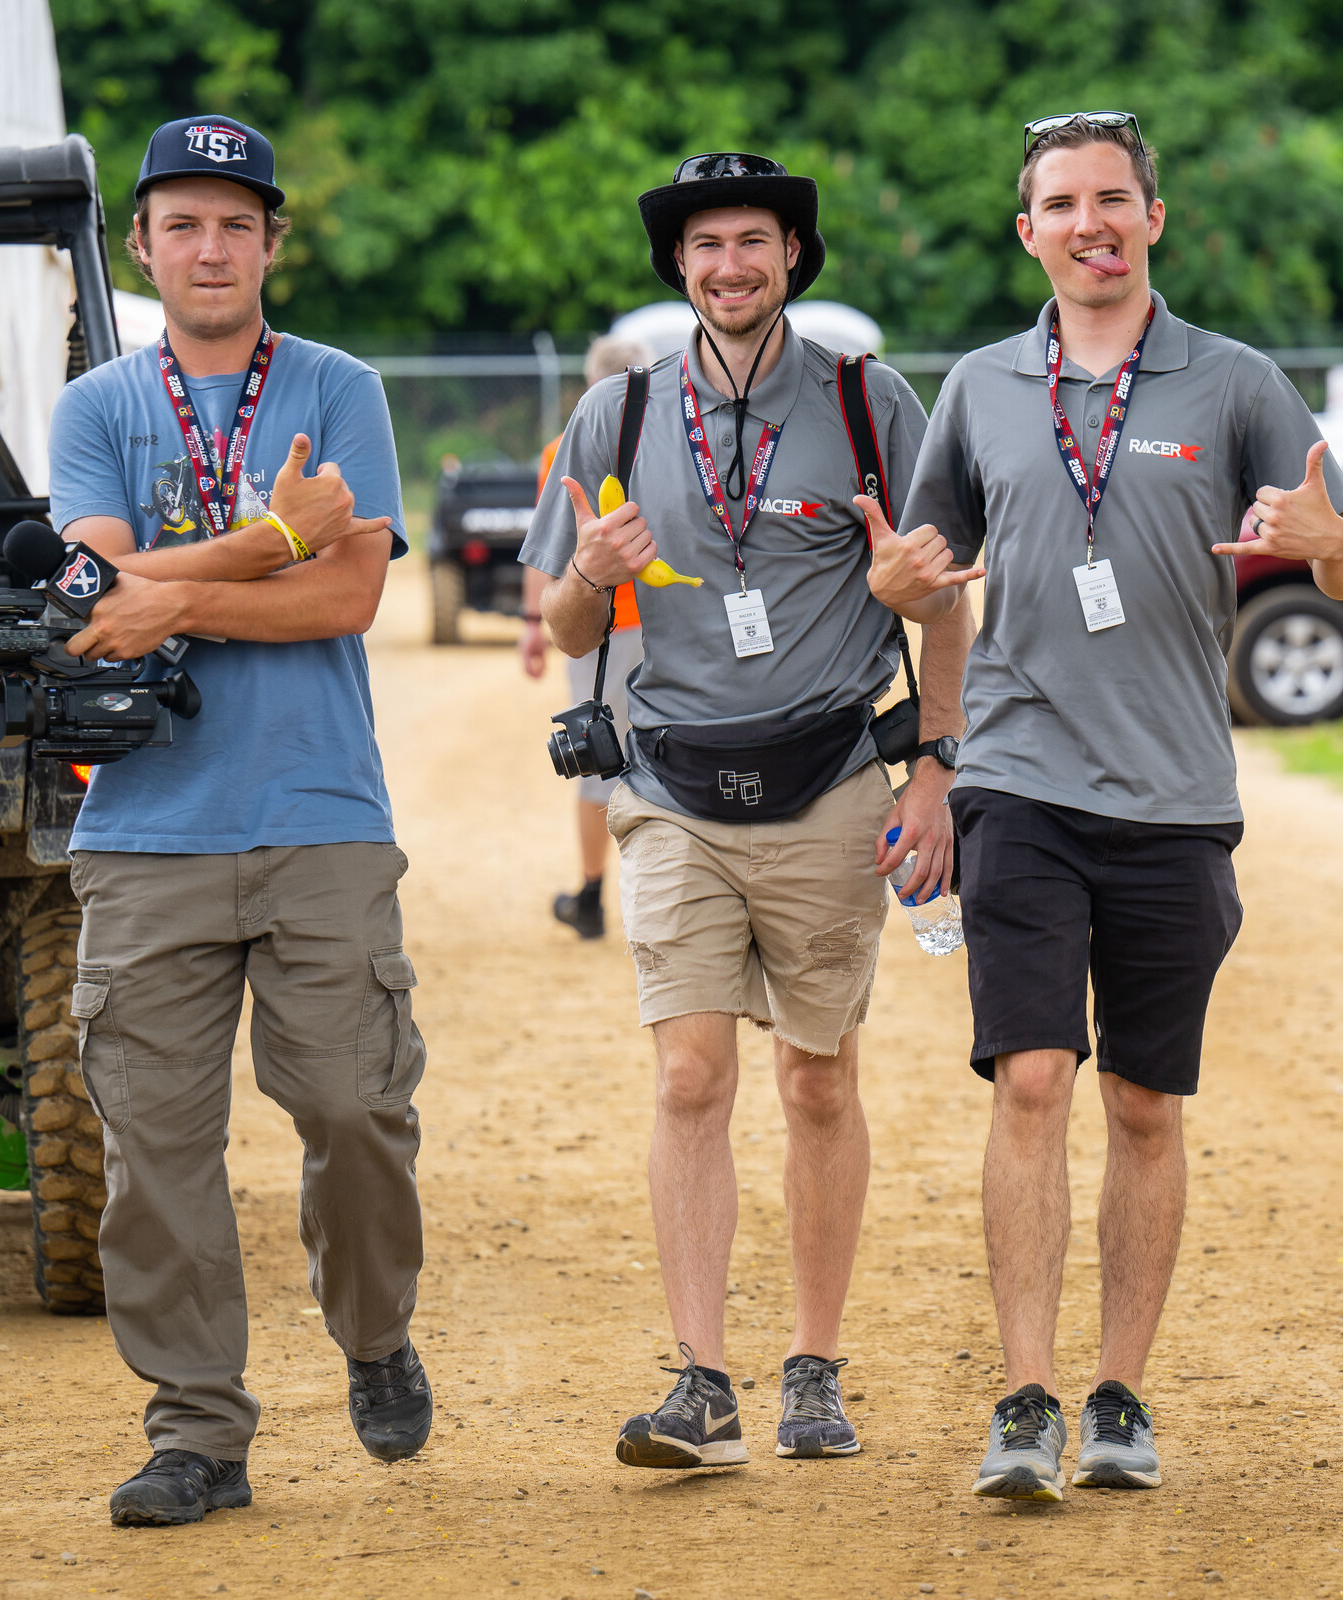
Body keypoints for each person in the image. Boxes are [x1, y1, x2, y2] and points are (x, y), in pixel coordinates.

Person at [878, 112, 1343, 1501]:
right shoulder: (981, 388)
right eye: (1061, 204)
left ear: (1154, 218)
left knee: (1145, 1103)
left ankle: (1118, 1397)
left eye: (1112, 199)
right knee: (1032, 1078)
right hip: (1020, 782)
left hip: (1176, 797)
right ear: (1026, 231)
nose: (1088, 224)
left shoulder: (1236, 382)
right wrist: (924, 718)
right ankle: (1025, 1398)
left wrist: (1330, 542)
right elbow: (929, 580)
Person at [521, 152, 968, 1469]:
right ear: (679, 264)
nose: (730, 266)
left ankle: (813, 1369)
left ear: (792, 257)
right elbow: (562, 625)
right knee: (689, 1075)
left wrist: (937, 768)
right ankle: (702, 1382)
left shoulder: (869, 403)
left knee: (817, 1080)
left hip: (829, 782)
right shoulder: (616, 416)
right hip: (671, 790)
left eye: (754, 242)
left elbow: (945, 601)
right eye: (706, 244)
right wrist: (587, 577)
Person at [46, 113, 434, 1527]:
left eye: (235, 223)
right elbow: (90, 608)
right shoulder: (97, 407)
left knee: (353, 1106)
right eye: (182, 225)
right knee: (155, 1151)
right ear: (144, 249)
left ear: (273, 244)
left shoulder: (339, 388)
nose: (209, 248)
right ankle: (198, 1432)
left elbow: (350, 596)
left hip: (320, 809)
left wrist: (173, 594)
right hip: (146, 830)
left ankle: (376, 1331)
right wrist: (272, 538)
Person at [522, 333, 653, 939]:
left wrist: (532, 624)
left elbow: (546, 550)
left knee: (598, 755)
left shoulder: (564, 447)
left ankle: (594, 895)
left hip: (597, 625)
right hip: (665, 620)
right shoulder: (674, 438)